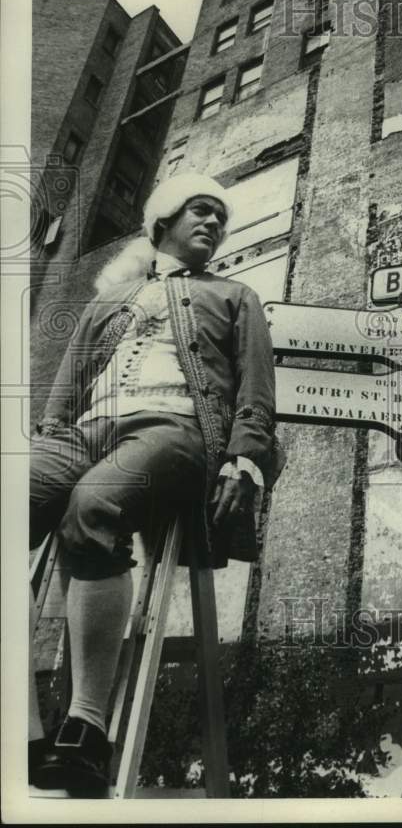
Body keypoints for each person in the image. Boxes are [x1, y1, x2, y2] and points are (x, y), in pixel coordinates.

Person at [28, 173, 285, 796]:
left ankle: (86, 727)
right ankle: (25, 726)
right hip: (87, 429)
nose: (213, 224)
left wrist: (244, 460)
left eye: (220, 218)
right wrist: (47, 442)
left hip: (177, 429)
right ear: (164, 219)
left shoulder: (235, 295)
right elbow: (67, 387)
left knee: (93, 505)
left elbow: (256, 390)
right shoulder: (108, 299)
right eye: (201, 211)